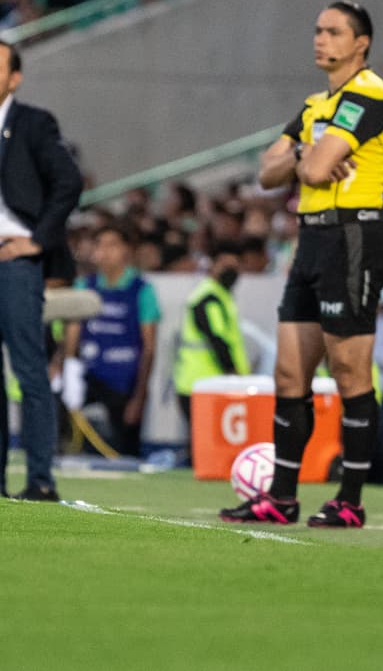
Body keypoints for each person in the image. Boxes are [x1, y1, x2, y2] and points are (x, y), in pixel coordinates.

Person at [221, 0, 383, 528]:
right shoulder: (317, 102)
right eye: (317, 30)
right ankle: (282, 497)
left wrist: (303, 157)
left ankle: (351, 500)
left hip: (353, 236)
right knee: (289, 372)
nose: (321, 39)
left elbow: (314, 167)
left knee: (348, 370)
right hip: (312, 239)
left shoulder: (368, 92)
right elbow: (267, 172)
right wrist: (304, 157)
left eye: (333, 31)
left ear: (360, 43)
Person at [0, 40, 82, 500]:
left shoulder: (33, 123)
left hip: (17, 261)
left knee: (29, 371)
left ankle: (40, 479)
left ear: (16, 78)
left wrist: (37, 238)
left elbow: (68, 181)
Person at [63, 223, 160, 458]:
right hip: (89, 377)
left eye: (112, 245)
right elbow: (71, 335)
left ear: (127, 250)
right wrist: (65, 369)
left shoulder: (141, 290)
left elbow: (148, 348)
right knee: (74, 444)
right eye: (100, 245)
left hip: (124, 384)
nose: (104, 252)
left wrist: (139, 396)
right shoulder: (84, 286)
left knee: (124, 451)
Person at [172, 240, 250, 426]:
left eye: (234, 266)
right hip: (202, 383)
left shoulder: (220, 295)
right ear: (213, 266)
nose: (230, 271)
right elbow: (218, 339)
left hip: (206, 384)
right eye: (225, 265)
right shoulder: (209, 298)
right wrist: (234, 373)